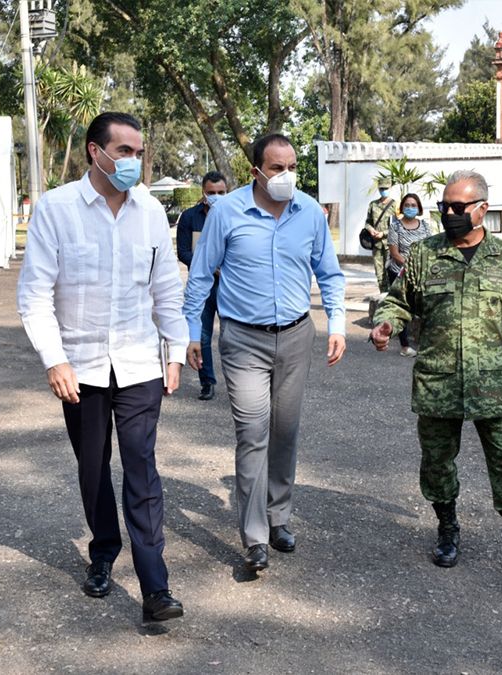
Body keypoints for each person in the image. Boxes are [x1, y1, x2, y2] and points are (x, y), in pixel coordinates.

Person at [17, 112, 187, 623]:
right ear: (96, 152)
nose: (134, 161)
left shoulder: (152, 212)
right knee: (93, 468)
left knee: (142, 467)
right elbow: (34, 294)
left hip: (139, 364)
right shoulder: (57, 209)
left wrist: (175, 352)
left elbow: (165, 290)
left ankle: (156, 586)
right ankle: (104, 551)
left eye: (139, 152)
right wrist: (55, 360)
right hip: (82, 367)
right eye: (125, 151)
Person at [370, 169, 502, 587]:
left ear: (482, 210)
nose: (449, 213)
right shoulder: (424, 255)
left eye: (458, 207)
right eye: (445, 206)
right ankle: (448, 529)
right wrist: (384, 324)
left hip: (491, 382)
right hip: (438, 381)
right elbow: (398, 301)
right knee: (437, 463)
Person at [182, 133, 346, 573]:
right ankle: (254, 537)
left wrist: (338, 324)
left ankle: (279, 518)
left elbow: (329, 273)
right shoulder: (226, 212)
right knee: (252, 433)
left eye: (292, 167)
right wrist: (191, 333)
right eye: (277, 168)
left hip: (295, 338)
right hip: (242, 341)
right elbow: (200, 276)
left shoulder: (309, 212)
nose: (286, 176)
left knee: (286, 432)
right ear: (255, 170)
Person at [176, 171, 229, 401]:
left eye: (221, 192)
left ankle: (241, 383)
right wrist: (206, 265)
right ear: (203, 193)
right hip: (202, 288)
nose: (216, 196)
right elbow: (184, 251)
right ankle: (207, 382)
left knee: (233, 337)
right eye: (211, 193)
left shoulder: (232, 215)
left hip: (228, 287)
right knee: (202, 336)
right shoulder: (189, 217)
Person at [385, 192, 434, 357]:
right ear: (402, 208)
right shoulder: (395, 227)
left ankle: (427, 344)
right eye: (407, 205)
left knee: (424, 308)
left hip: (422, 274)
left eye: (413, 205)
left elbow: (430, 250)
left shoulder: (426, 226)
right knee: (402, 308)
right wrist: (410, 266)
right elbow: (395, 253)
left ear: (419, 208)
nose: (410, 208)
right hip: (399, 272)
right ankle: (405, 346)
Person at [364, 177, 397, 292]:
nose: (383, 190)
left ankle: (392, 296)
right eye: (381, 188)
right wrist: (371, 230)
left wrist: (383, 233)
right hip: (377, 245)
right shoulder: (373, 205)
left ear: (390, 188)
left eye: (386, 188)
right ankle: (382, 294)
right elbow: (367, 223)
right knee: (379, 273)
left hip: (390, 244)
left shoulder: (395, 205)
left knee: (391, 271)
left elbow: (398, 226)